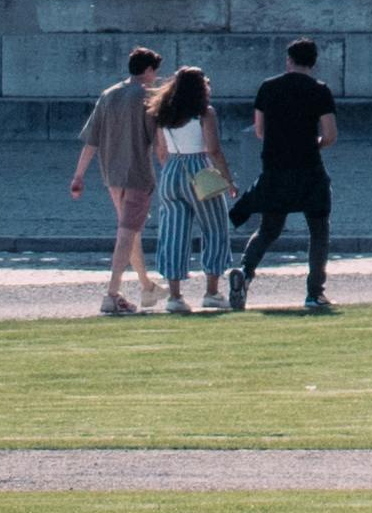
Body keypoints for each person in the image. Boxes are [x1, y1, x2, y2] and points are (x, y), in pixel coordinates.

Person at [236, 37, 341, 313]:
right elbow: (330, 134)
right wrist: (313, 142)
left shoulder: (268, 87)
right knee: (319, 230)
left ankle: (245, 273)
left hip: (275, 168)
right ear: (314, 62)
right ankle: (314, 292)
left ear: (289, 60)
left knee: (269, 229)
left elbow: (259, 131)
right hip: (309, 167)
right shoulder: (320, 90)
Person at [70, 45, 167, 316]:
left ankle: (147, 286)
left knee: (130, 231)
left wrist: (78, 175)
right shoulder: (149, 97)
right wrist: (169, 170)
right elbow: (159, 145)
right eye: (155, 71)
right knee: (127, 233)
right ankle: (112, 293)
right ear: (148, 70)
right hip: (137, 174)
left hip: (112, 174)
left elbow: (91, 141)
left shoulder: (109, 95)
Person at [151, 65, 235, 313]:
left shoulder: (163, 112)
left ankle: (175, 295)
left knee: (173, 233)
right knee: (215, 228)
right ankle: (211, 291)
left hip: (172, 169)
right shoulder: (205, 113)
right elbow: (213, 149)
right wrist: (227, 179)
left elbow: (160, 150)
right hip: (199, 168)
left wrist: (171, 168)